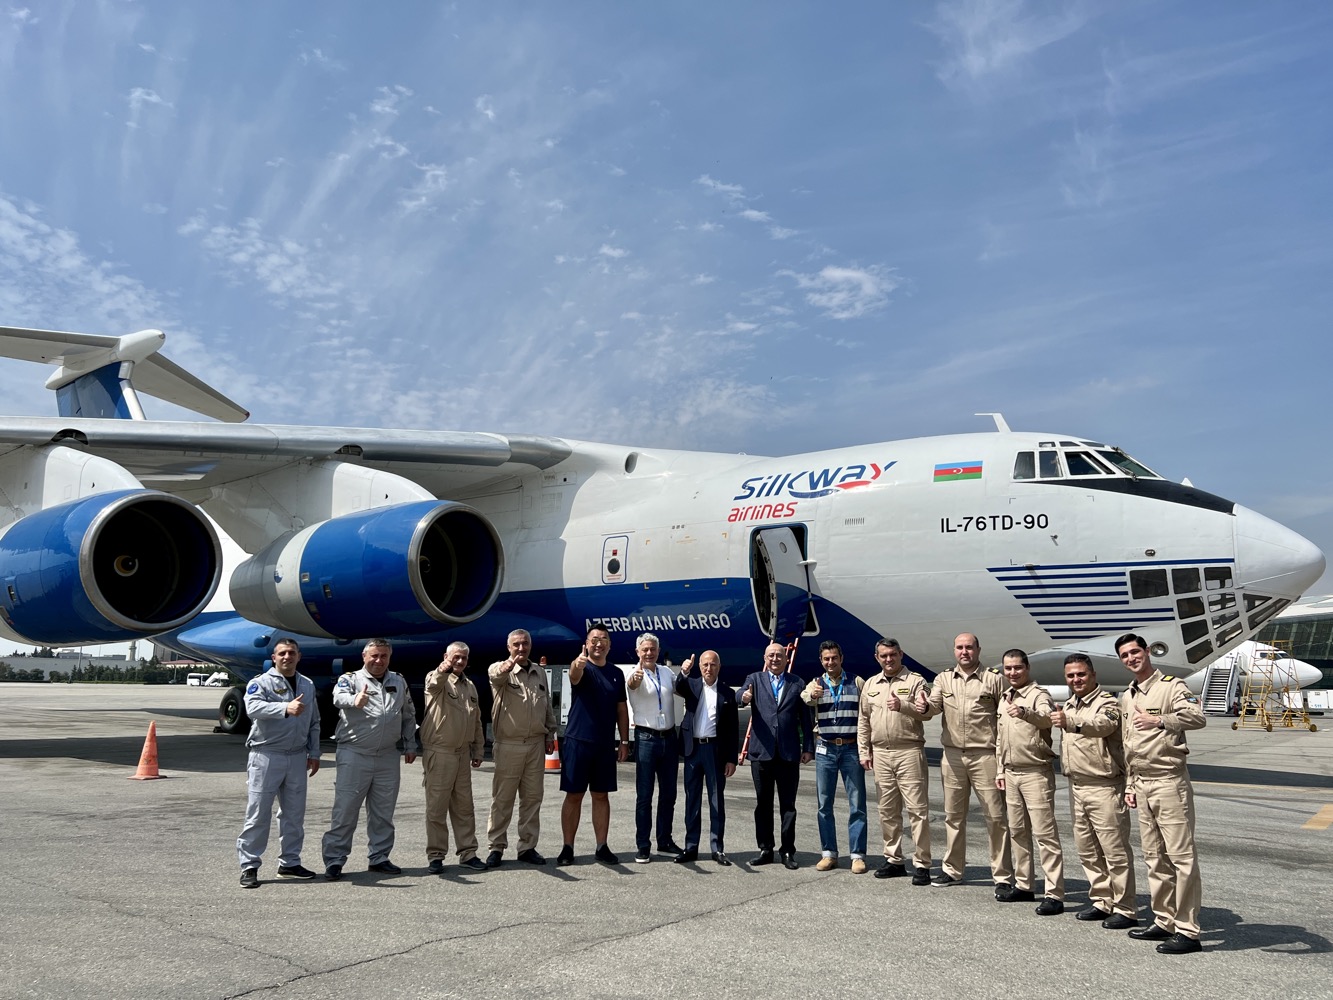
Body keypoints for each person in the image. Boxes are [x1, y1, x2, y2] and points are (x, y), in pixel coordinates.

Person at [1117, 633, 1206, 954]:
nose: (1131, 659)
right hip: (1142, 783)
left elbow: (1197, 716)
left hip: (1169, 781)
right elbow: (1129, 745)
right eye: (1125, 655)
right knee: (1154, 857)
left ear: (1147, 652)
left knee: (1181, 858)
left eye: (1135, 652)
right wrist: (1130, 785)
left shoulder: (1171, 686)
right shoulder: (1127, 696)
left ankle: (1188, 930)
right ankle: (1164, 920)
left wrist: (1159, 720)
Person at [1050, 653, 1137, 929]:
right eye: (1071, 676)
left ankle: (1125, 908)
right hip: (1077, 787)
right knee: (1087, 849)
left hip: (1105, 787)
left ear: (1093, 675)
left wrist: (1070, 722)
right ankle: (1102, 900)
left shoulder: (1108, 703)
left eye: (1081, 674)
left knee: (1115, 851)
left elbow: (1105, 726)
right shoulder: (1070, 704)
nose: (1076, 680)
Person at [321, 639, 418, 880]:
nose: (379, 660)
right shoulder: (351, 679)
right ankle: (335, 860)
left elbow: (408, 714)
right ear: (364, 656)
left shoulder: (398, 680)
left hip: (387, 754)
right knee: (345, 810)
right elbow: (337, 697)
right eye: (374, 655)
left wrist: (410, 743)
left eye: (383, 656)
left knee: (383, 812)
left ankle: (380, 857)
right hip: (355, 753)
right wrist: (354, 700)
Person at [926, 632, 1013, 896]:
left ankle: (1003, 875)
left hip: (985, 755)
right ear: (954, 651)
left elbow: (1006, 717)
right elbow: (931, 708)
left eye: (969, 647)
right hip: (952, 756)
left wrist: (1004, 758)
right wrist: (919, 706)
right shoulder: (943, 679)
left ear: (978, 650)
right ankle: (952, 869)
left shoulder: (994, 680)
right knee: (953, 816)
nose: (965, 652)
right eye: (960, 648)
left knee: (996, 817)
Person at [236, 638, 321, 888]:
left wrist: (314, 752)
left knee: (294, 814)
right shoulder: (259, 683)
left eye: (291, 653)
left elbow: (314, 720)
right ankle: (249, 865)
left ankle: (290, 862)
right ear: (274, 658)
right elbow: (252, 708)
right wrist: (285, 707)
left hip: (296, 756)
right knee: (258, 813)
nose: (287, 657)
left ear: (299, 656)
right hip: (266, 754)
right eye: (282, 653)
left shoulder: (307, 684)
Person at [857, 637, 933, 886]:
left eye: (892, 654)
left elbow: (927, 712)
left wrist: (905, 705)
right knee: (887, 811)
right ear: (877, 657)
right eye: (883, 655)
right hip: (881, 753)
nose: (888, 659)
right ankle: (894, 860)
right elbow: (864, 721)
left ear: (901, 654)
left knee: (917, 811)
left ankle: (922, 863)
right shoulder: (871, 684)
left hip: (908, 751)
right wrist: (864, 751)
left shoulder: (915, 681)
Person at [995, 648, 1065, 915]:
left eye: (1017, 668)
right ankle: (1024, 885)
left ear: (1027, 669)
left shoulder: (1039, 695)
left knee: (1045, 835)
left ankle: (1054, 893)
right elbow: (1000, 737)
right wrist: (1000, 770)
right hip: (1011, 773)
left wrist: (1025, 712)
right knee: (1017, 832)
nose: (1012, 673)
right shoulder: (1004, 697)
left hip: (1036, 772)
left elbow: (1047, 719)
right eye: (1008, 668)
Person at [558, 623, 629, 865]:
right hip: (578, 742)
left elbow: (621, 709)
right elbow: (574, 676)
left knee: (601, 796)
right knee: (574, 796)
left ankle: (602, 846)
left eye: (604, 639)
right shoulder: (581, 667)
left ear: (610, 645)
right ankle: (568, 847)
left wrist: (624, 741)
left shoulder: (616, 673)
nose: (599, 643)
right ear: (587, 644)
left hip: (604, 745)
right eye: (594, 639)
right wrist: (577, 665)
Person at [485, 628, 557, 867]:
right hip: (509, 745)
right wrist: (507, 666)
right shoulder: (500, 669)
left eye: (525, 644)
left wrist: (550, 733)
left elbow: (546, 705)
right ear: (509, 647)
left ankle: (527, 846)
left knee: (532, 798)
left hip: (535, 744)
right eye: (516, 644)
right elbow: (495, 677)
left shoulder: (539, 672)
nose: (521, 648)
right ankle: (496, 847)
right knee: (502, 799)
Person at [738, 642, 814, 869]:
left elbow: (806, 719)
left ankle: (788, 851)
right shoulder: (755, 679)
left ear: (785, 658)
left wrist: (808, 747)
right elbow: (740, 695)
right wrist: (744, 698)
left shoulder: (796, 683)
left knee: (788, 806)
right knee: (763, 804)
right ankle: (765, 848)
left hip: (788, 754)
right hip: (762, 753)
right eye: (771, 655)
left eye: (779, 656)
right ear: (765, 657)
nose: (775, 659)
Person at [801, 640, 868, 873]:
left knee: (857, 803)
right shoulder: (816, 683)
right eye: (826, 659)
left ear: (841, 658)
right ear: (821, 661)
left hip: (851, 748)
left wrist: (866, 748)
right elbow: (805, 697)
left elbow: (867, 713)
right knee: (824, 804)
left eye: (834, 658)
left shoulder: (857, 682)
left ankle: (857, 855)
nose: (831, 662)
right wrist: (812, 694)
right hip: (826, 749)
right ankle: (828, 853)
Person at [421, 641, 487, 873]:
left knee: (464, 807)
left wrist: (478, 750)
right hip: (440, 754)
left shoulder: (470, 686)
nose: (460, 662)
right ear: (446, 657)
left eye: (464, 658)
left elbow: (476, 721)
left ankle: (468, 853)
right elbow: (433, 683)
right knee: (437, 808)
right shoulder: (437, 679)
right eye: (455, 657)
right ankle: (436, 855)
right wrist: (443, 668)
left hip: (462, 756)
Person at [674, 650, 740, 865]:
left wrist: (731, 758)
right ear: (699, 667)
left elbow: (731, 729)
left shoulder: (727, 693)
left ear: (719, 667)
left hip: (715, 751)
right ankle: (690, 847)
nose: (708, 669)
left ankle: (717, 848)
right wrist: (684, 671)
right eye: (704, 665)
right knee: (691, 800)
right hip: (693, 749)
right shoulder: (691, 685)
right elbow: (678, 686)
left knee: (716, 800)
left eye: (712, 665)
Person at [626, 632, 683, 863]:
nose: (649, 653)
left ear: (658, 651)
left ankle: (665, 840)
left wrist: (687, 673)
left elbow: (681, 689)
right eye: (645, 649)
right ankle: (643, 844)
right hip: (646, 738)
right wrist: (637, 678)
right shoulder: (634, 672)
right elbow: (632, 683)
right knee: (645, 794)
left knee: (669, 793)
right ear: (638, 652)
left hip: (669, 737)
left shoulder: (667, 672)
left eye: (653, 649)